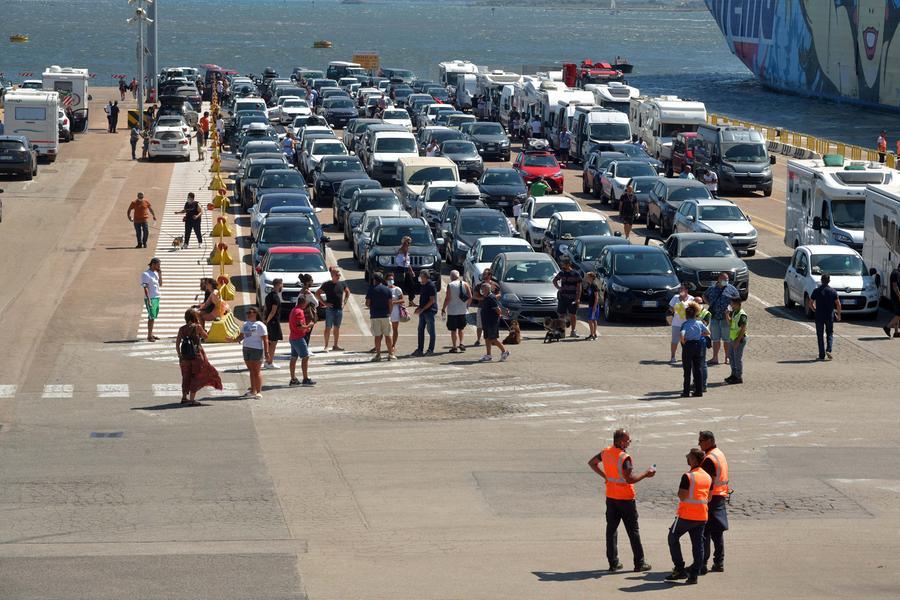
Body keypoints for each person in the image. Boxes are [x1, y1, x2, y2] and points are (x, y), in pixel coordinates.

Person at [587, 429, 655, 573]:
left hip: (611, 497)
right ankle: (639, 563)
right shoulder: (625, 458)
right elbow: (630, 479)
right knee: (633, 531)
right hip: (625, 499)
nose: (629, 442)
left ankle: (613, 563)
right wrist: (646, 474)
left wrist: (605, 476)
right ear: (620, 441)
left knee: (611, 530)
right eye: (627, 440)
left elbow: (592, 463)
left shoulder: (605, 452)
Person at [665, 447, 712, 585]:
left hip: (686, 515)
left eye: (689, 456)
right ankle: (694, 575)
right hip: (701, 516)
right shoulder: (708, 477)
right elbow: (709, 498)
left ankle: (679, 569)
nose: (687, 458)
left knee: (672, 537)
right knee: (698, 545)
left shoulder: (688, 476)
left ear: (693, 460)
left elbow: (682, 495)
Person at [175, 309, 222, 405]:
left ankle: (184, 397)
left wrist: (180, 355)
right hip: (196, 355)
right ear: (194, 317)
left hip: (185, 356)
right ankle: (192, 399)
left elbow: (177, 343)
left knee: (186, 376)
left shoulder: (182, 329)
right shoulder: (197, 327)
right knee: (195, 376)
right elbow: (206, 337)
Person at [698, 431, 729, 574]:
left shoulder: (709, 459)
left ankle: (702, 563)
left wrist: (704, 498)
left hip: (711, 498)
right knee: (717, 531)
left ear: (709, 441)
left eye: (701, 441)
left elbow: (706, 481)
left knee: (705, 531)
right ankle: (719, 562)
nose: (699, 444)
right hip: (721, 495)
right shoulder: (719, 453)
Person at [230, 306, 268, 399]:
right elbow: (241, 337)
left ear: (256, 314)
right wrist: (231, 340)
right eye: (247, 313)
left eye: (250, 312)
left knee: (256, 371)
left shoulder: (260, 325)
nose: (248, 314)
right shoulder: (245, 324)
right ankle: (252, 391)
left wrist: (267, 352)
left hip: (256, 350)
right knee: (251, 371)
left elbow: (265, 340)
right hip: (246, 349)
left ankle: (258, 391)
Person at [703, 272, 736, 365]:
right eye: (724, 279)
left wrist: (731, 309)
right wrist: (709, 304)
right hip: (714, 318)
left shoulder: (731, 289)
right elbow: (704, 295)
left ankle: (727, 357)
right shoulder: (712, 289)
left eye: (727, 279)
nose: (726, 281)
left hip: (726, 318)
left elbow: (737, 300)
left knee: (727, 340)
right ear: (719, 279)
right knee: (715, 339)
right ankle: (715, 358)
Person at [680, 302, 710, 398]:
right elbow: (708, 332)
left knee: (687, 370)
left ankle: (686, 391)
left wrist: (684, 342)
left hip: (688, 346)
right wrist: (700, 334)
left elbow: (682, 335)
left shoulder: (685, 324)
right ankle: (699, 391)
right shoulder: (699, 323)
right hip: (698, 345)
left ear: (686, 315)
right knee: (698, 369)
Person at [808, 274, 841, 360]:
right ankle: (829, 349)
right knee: (829, 333)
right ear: (829, 281)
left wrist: (814, 309)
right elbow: (838, 304)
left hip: (819, 316)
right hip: (829, 316)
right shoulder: (833, 291)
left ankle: (821, 355)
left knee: (820, 335)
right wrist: (838, 315)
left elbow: (810, 302)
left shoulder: (816, 291)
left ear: (821, 280)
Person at [316, 266, 350, 351]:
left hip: (339, 309)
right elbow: (317, 294)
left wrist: (344, 302)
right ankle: (326, 346)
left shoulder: (342, 284)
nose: (339, 276)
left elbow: (347, 292)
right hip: (330, 310)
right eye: (337, 274)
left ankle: (335, 345)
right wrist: (325, 303)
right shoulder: (327, 284)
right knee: (328, 327)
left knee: (337, 328)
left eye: (339, 274)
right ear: (333, 275)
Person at [365, 272, 396, 361]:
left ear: (374, 280)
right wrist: (389, 313)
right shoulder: (387, 289)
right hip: (385, 315)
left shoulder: (371, 289)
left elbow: (367, 303)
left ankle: (378, 355)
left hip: (375, 316)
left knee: (377, 336)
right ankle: (391, 354)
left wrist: (371, 306)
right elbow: (390, 303)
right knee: (388, 335)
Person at [477, 282, 509, 362]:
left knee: (493, 339)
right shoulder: (486, 297)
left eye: (482, 290)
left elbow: (498, 310)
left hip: (492, 322)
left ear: (487, 290)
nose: (481, 291)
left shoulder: (491, 298)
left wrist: (500, 314)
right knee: (487, 338)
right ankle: (488, 355)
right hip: (486, 322)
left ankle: (504, 351)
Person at [288, 296, 315, 386]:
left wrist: (305, 328)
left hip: (293, 337)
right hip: (298, 338)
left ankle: (293, 379)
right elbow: (299, 326)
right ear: (303, 303)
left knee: (294, 358)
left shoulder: (293, 310)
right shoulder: (299, 312)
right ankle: (305, 378)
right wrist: (309, 326)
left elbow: (298, 325)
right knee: (305, 357)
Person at [441, 270, 471, 353]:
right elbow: (470, 296)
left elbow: (447, 299)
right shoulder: (465, 284)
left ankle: (454, 346)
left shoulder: (450, 285)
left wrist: (443, 308)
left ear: (451, 276)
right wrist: (467, 306)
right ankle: (461, 343)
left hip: (452, 311)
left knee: (453, 330)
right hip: (462, 311)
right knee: (461, 328)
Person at [552, 257, 582, 338]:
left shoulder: (576, 274)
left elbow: (579, 287)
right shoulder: (562, 273)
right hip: (563, 297)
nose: (563, 265)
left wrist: (578, 299)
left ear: (568, 264)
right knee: (561, 314)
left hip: (572, 298)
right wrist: (559, 288)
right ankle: (561, 331)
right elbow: (554, 281)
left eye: (564, 264)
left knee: (573, 315)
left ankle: (573, 331)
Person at [412, 270, 438, 356]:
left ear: (425, 277)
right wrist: (419, 308)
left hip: (429, 311)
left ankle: (430, 350)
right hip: (423, 311)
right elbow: (423, 299)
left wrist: (422, 309)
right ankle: (420, 349)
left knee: (431, 331)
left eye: (421, 276)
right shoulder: (423, 285)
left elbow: (432, 300)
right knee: (420, 330)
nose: (419, 277)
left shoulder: (431, 285)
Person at [473, 268, 500, 346]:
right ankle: (478, 340)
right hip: (482, 307)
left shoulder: (495, 285)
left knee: (491, 325)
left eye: (485, 274)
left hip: (492, 309)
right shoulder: (479, 285)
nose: (483, 275)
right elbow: (474, 296)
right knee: (479, 325)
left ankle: (493, 339)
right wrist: (482, 298)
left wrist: (492, 297)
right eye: (483, 274)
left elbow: (499, 294)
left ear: (490, 275)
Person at [725, 297, 747, 384]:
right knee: (731, 357)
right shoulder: (734, 312)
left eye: (732, 303)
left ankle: (738, 377)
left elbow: (743, 329)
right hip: (733, 338)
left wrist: (737, 341)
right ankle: (733, 375)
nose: (731, 305)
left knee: (737, 359)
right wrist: (727, 315)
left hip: (739, 339)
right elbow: (730, 324)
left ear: (737, 304)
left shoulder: (742, 315)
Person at [263, 278, 284, 369]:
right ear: (278, 285)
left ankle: (267, 361)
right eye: (282, 284)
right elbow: (273, 311)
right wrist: (267, 321)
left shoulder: (268, 296)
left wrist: (265, 320)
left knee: (270, 343)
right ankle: (270, 362)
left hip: (269, 322)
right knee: (273, 343)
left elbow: (265, 309)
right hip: (274, 322)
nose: (282, 286)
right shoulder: (275, 297)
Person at [668, 284, 690, 363]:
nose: (680, 290)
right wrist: (675, 308)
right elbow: (670, 308)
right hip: (676, 323)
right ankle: (672, 357)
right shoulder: (675, 297)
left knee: (686, 341)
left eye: (682, 289)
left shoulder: (691, 298)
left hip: (687, 324)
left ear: (686, 290)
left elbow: (694, 310)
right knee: (674, 341)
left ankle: (686, 357)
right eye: (679, 289)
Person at [141, 258, 162, 342]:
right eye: (158, 265)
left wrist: (160, 274)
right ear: (153, 264)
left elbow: (160, 284)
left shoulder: (156, 273)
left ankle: (151, 334)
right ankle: (149, 336)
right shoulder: (146, 274)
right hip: (151, 298)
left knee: (153, 317)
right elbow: (145, 287)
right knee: (151, 317)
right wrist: (149, 300)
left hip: (156, 297)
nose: (159, 267)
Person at [386, 273, 405, 351]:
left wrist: (393, 302)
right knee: (385, 329)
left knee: (395, 329)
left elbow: (402, 300)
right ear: (386, 280)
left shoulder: (397, 289)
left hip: (395, 311)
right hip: (386, 311)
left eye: (392, 279)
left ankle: (393, 345)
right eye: (389, 279)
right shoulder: (385, 289)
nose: (390, 281)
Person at [395, 236, 416, 305]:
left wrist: (411, 271)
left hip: (406, 269)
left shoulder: (406, 252)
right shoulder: (401, 250)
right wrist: (405, 251)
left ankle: (411, 301)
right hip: (400, 269)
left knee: (411, 284)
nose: (409, 244)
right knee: (400, 286)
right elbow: (402, 261)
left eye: (409, 243)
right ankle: (399, 301)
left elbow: (407, 263)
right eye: (407, 243)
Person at [883, 261, 900, 339]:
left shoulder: (896, 273)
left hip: (895, 297)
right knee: (899, 314)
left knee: (897, 314)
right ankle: (888, 326)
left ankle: (896, 332)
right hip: (896, 298)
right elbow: (895, 286)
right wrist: (899, 296)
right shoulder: (895, 274)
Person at [585, 272, 601, 340]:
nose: (586, 278)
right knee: (593, 320)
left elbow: (596, 297)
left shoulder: (594, 285)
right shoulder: (590, 285)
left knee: (590, 320)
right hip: (591, 305)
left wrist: (595, 306)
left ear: (591, 278)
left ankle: (592, 335)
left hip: (593, 306)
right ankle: (594, 334)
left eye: (588, 277)